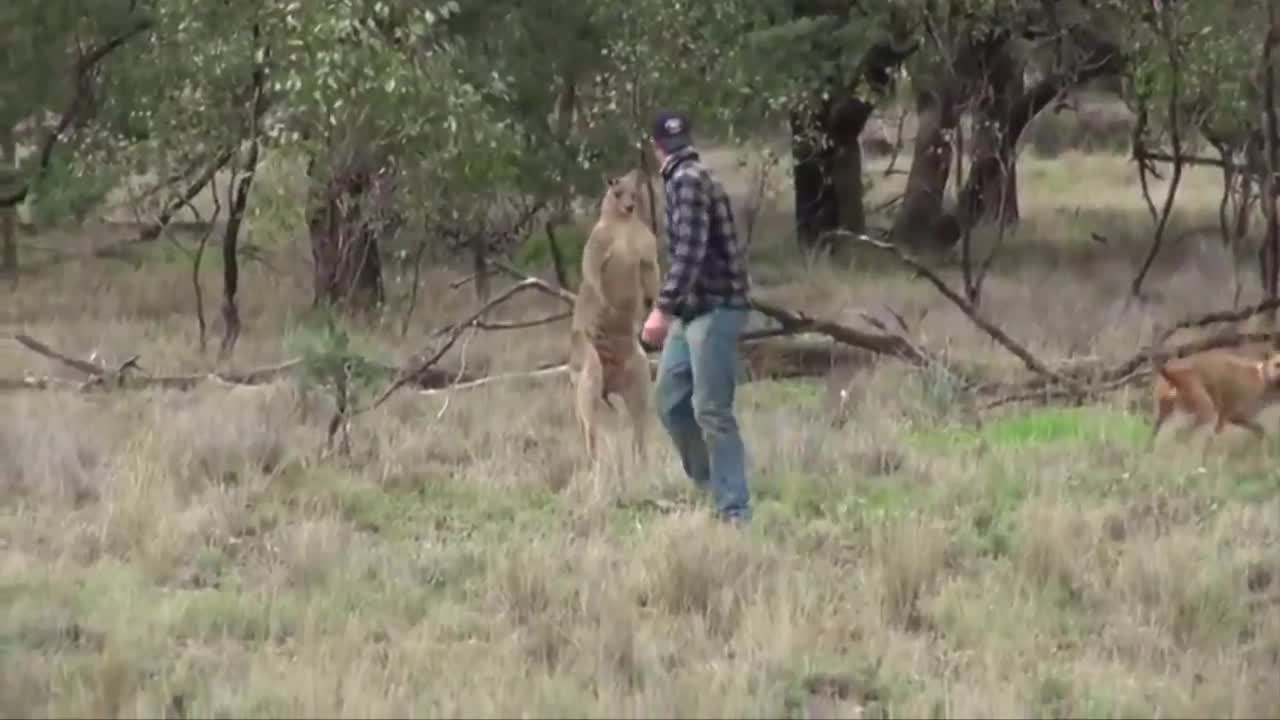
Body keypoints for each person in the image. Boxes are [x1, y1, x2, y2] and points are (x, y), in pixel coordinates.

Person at [640, 110, 753, 524]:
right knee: (670, 401)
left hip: (717, 306)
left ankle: (734, 511)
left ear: (658, 150)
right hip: (694, 308)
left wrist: (661, 309)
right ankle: (712, 487)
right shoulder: (686, 178)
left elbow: (689, 252)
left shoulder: (687, 180)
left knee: (711, 409)